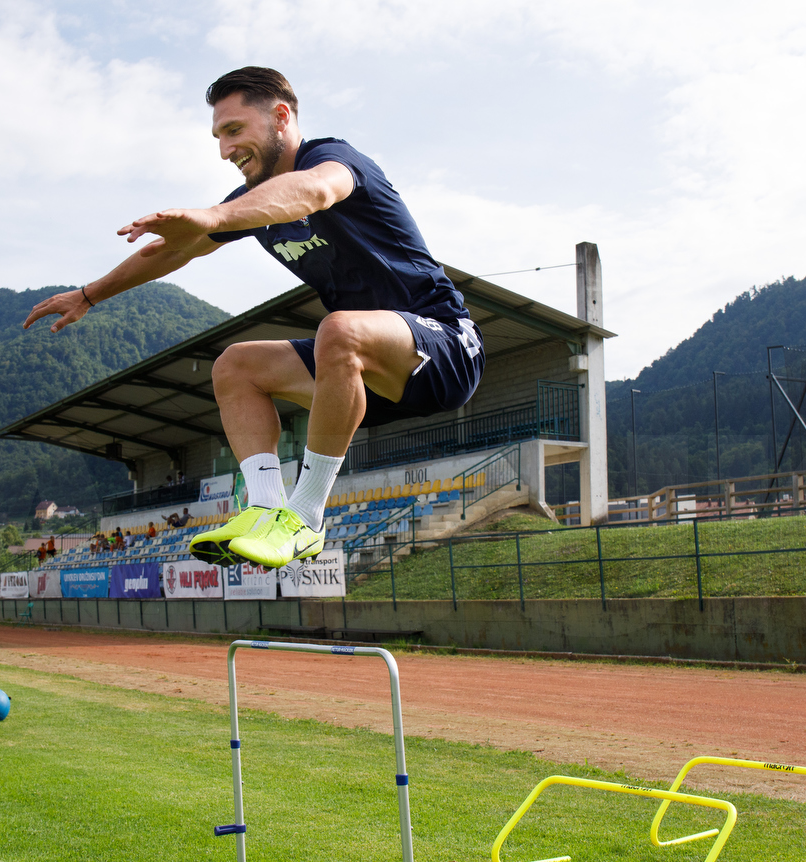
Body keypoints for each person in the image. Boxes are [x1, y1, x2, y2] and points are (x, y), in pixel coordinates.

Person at [24, 67, 482, 570]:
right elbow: (174, 251)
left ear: (281, 117)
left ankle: (305, 518)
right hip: (369, 379)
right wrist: (90, 295)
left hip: (445, 349)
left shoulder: (333, 161)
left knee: (341, 329)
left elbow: (314, 191)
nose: (224, 150)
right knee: (235, 366)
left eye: (234, 130)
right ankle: (265, 507)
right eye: (218, 137)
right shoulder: (251, 201)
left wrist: (217, 217)